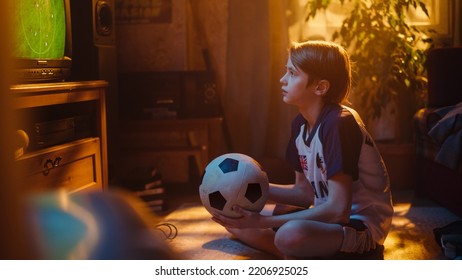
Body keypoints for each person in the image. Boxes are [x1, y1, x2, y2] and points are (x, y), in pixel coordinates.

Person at [212, 40, 394, 259]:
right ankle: (300, 255)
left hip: (360, 227)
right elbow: (303, 193)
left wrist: (263, 222)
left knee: (290, 235)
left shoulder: (338, 123)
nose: (283, 79)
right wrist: (239, 187)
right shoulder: (300, 125)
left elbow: (339, 210)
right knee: (234, 218)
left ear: (320, 87)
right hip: (326, 219)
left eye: (292, 73)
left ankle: (294, 253)